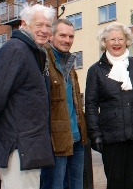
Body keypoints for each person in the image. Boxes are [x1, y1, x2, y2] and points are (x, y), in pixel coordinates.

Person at [0, 3, 56, 189]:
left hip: (29, 148)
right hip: (18, 147)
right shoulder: (15, 50)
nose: (44, 30)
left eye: (48, 26)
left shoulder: (34, 53)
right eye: (39, 25)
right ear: (24, 24)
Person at [85, 22, 133, 189]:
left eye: (120, 39)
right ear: (105, 42)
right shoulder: (95, 71)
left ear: (127, 41)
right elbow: (90, 105)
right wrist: (95, 134)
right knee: (116, 183)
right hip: (111, 136)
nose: (116, 43)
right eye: (112, 39)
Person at [40, 19, 87, 189]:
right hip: (55, 141)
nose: (67, 40)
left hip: (76, 138)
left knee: (76, 186)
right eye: (63, 35)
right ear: (51, 36)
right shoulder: (42, 61)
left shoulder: (69, 64)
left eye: (71, 36)